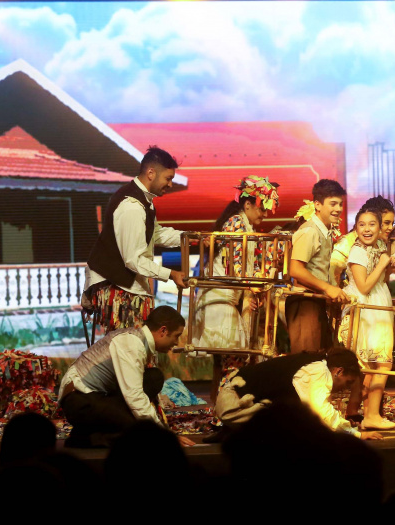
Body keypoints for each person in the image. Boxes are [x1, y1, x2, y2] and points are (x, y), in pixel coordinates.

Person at [83, 146, 188, 333]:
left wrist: (191, 237)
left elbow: (156, 234)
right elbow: (133, 260)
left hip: (127, 287)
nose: (171, 184)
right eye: (168, 178)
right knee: (129, 345)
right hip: (119, 289)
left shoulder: (143, 201)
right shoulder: (132, 206)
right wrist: (171, 274)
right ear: (151, 173)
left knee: (135, 345)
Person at [193, 176, 281, 400]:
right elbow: (235, 267)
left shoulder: (244, 225)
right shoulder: (236, 224)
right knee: (234, 363)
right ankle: (226, 408)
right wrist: (253, 286)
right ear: (248, 204)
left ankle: (223, 409)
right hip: (220, 299)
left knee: (232, 363)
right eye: (262, 208)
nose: (265, 214)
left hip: (228, 298)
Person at [58, 306, 195, 447]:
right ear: (163, 331)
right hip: (79, 401)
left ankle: (94, 430)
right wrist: (164, 434)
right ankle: (85, 438)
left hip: (99, 397)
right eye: (176, 336)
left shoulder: (140, 341)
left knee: (154, 377)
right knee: (138, 430)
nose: (177, 342)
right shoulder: (132, 344)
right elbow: (134, 396)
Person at [214, 346, 384, 440]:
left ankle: (241, 432)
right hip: (235, 402)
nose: (345, 389)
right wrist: (356, 434)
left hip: (238, 395)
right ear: (338, 371)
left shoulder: (317, 365)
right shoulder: (318, 372)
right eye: (347, 382)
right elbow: (322, 412)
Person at [339, 207, 395, 430]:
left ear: (379, 227)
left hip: (378, 305)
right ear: (355, 228)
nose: (367, 229)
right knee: (381, 363)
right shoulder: (358, 251)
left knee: (374, 365)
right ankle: (371, 414)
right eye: (361, 225)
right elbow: (363, 286)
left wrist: (389, 265)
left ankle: (360, 412)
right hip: (366, 309)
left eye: (372, 224)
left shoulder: (379, 246)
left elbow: (381, 279)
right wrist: (382, 264)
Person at [286, 179, 349, 353]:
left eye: (340, 204)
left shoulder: (325, 231)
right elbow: (295, 269)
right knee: (308, 361)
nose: (338, 209)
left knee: (321, 358)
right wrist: (328, 288)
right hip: (304, 302)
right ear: (317, 205)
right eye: (333, 204)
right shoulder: (310, 230)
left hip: (315, 300)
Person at [331, 195, 395, 287]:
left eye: (392, 223)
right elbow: (332, 273)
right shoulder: (347, 243)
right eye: (387, 223)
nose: (391, 228)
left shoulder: (387, 243)